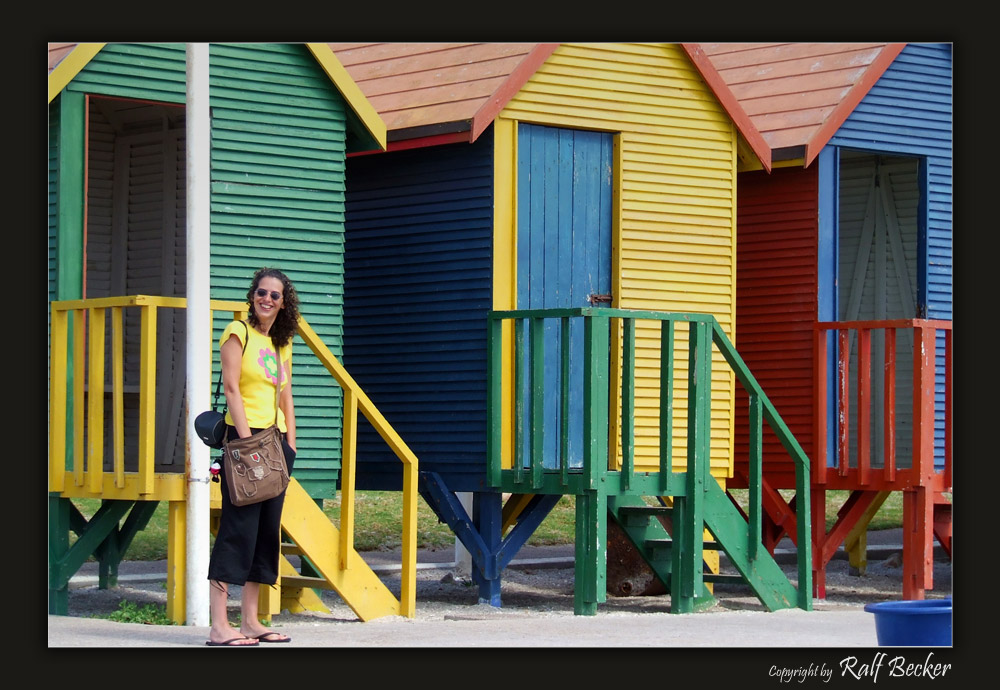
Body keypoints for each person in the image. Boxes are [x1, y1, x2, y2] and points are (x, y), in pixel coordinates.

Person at [206, 267, 299, 646]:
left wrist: (291, 442)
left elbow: (285, 394)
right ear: (253, 295)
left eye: (275, 295)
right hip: (246, 442)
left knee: (265, 533)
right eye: (262, 292)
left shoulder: (280, 342)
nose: (267, 299)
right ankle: (218, 626)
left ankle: (250, 621)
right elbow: (231, 389)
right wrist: (246, 445)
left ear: (283, 302)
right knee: (237, 529)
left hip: (276, 444)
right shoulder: (237, 334)